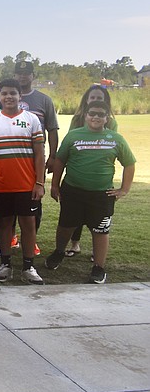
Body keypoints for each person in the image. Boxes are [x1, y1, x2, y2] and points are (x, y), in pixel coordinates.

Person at [45, 101, 135, 284]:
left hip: (102, 195)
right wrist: (55, 186)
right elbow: (60, 161)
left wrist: (124, 189)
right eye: (92, 113)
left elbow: (129, 163)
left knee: (101, 230)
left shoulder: (115, 138)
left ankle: (99, 267)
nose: (96, 117)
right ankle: (59, 251)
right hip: (73, 191)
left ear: (107, 118)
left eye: (101, 114)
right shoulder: (73, 136)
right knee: (65, 226)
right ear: (85, 115)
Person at [0, 78, 46, 285]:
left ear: (20, 96)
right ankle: (5, 264)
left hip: (27, 185)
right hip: (0, 185)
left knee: (28, 224)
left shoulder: (32, 120)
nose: (9, 97)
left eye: (13, 93)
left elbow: (39, 154)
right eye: (4, 93)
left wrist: (40, 182)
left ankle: (28, 266)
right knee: (4, 225)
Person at [63, 85, 118, 255]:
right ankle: (75, 243)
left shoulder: (111, 122)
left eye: (99, 98)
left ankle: (97, 252)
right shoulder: (77, 119)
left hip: (99, 173)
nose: (95, 100)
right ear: (86, 100)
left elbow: (110, 143)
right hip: (76, 170)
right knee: (74, 215)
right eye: (92, 98)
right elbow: (71, 142)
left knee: (98, 219)